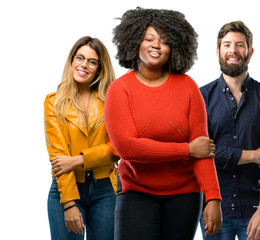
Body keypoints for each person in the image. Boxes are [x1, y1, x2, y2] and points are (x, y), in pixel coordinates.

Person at [104, 7, 222, 240]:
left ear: (175, 49)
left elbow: (203, 149)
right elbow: (127, 148)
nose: (156, 45)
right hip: (136, 193)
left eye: (164, 41)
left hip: (185, 196)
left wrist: (213, 197)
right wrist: (186, 150)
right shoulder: (119, 89)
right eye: (149, 38)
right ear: (135, 42)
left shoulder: (188, 87)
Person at [199, 21, 260, 240]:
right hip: (214, 208)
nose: (233, 50)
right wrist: (256, 155)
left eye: (239, 45)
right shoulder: (201, 98)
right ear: (218, 51)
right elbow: (203, 155)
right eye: (227, 45)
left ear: (250, 52)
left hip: (255, 208)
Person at [44, 36, 118, 240]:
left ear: (100, 68)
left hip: (106, 190)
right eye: (79, 58)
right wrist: (69, 204)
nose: (83, 65)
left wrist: (78, 160)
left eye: (92, 61)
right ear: (71, 60)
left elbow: (116, 148)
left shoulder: (112, 100)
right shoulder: (53, 102)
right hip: (66, 189)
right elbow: (59, 158)